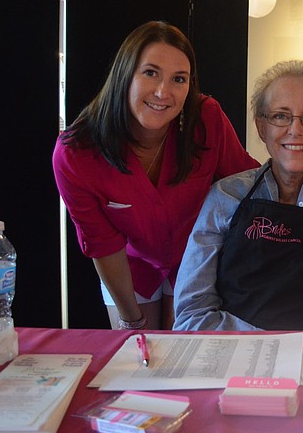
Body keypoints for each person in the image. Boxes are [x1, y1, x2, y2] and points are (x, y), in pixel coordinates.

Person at [53, 21, 260, 331]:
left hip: (197, 260)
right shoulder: (76, 153)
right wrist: (131, 320)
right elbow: (102, 244)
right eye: (150, 72)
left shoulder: (206, 118)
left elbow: (247, 184)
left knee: (184, 354)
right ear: (125, 74)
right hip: (129, 267)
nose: (163, 92)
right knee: (140, 351)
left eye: (179, 79)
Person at [173, 60, 303, 331]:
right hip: (230, 354)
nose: (295, 130)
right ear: (262, 127)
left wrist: (298, 351)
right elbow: (192, 313)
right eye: (281, 116)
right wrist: (269, 348)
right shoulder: (225, 197)